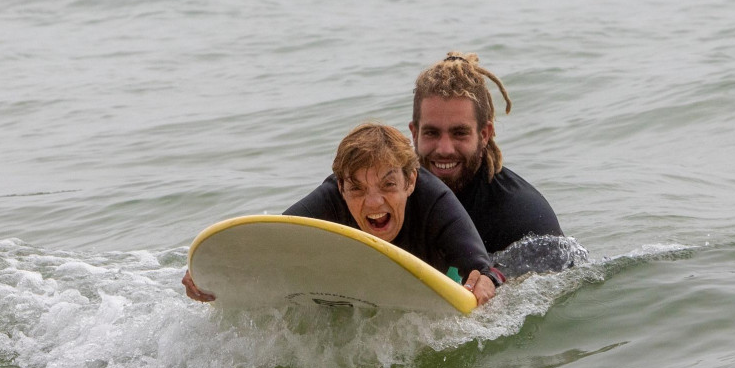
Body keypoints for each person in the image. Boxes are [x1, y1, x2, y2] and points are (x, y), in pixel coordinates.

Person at [182, 122, 504, 305]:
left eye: (388, 185)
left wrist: (486, 283)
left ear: (410, 181)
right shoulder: (329, 200)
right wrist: (212, 276)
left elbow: (484, 270)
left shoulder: (433, 200)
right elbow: (270, 245)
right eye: (357, 189)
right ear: (340, 188)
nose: (374, 202)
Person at [408, 52, 565, 258]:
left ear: (484, 134)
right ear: (414, 133)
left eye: (459, 133)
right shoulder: (390, 200)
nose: (444, 149)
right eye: (432, 133)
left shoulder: (524, 219)